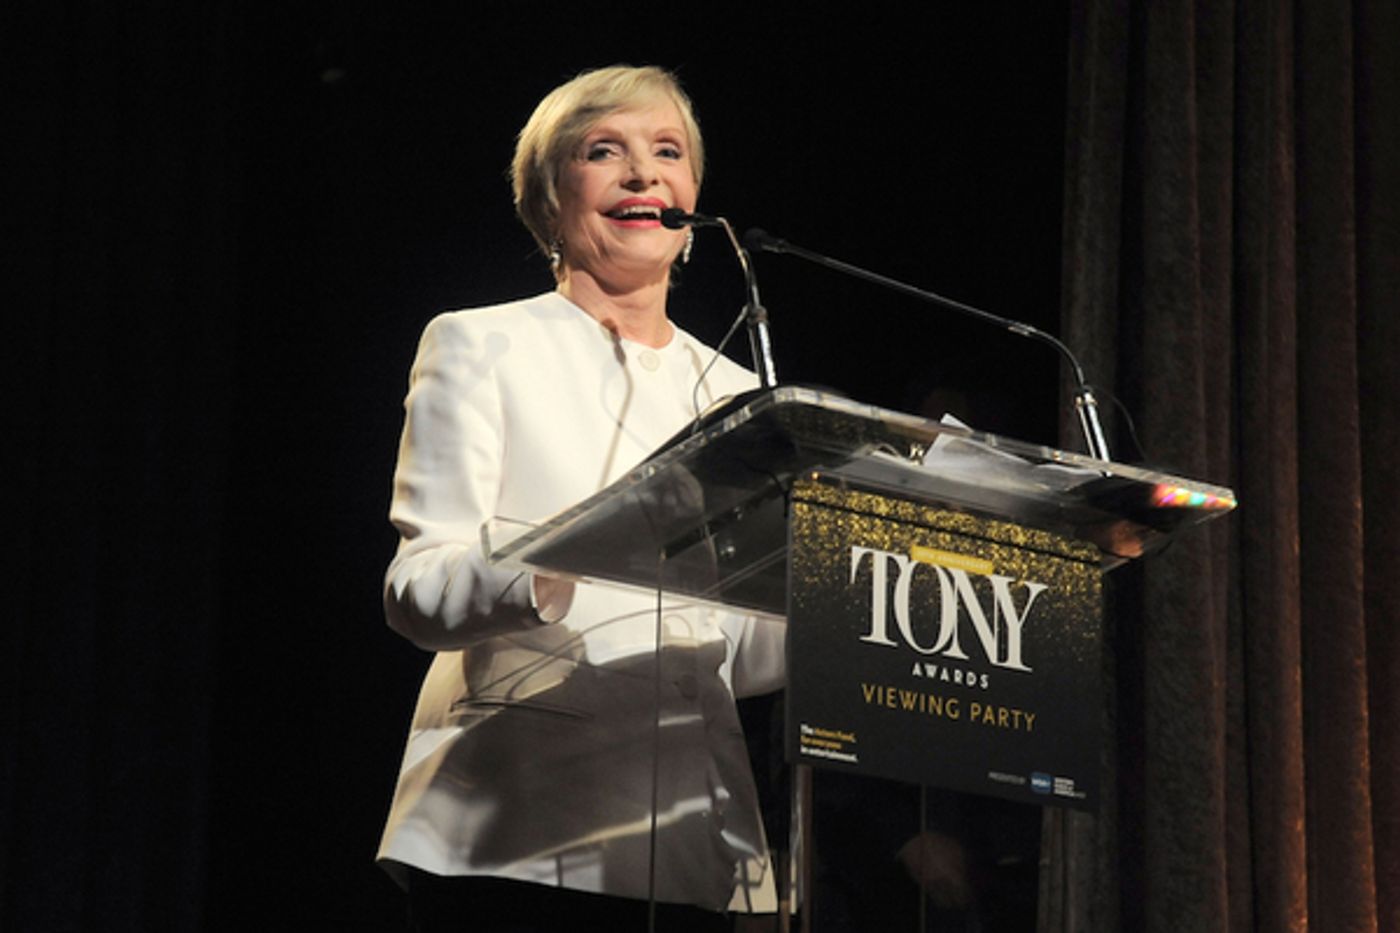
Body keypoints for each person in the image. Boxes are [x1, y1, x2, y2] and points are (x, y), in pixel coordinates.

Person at [375, 65, 787, 933]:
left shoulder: (742, 394)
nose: (645, 174)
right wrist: (565, 559)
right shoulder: (481, 344)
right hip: (516, 821)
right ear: (550, 200)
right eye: (607, 151)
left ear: (693, 202)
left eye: (667, 152)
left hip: (690, 839)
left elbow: (730, 647)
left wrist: (853, 603)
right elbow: (419, 586)